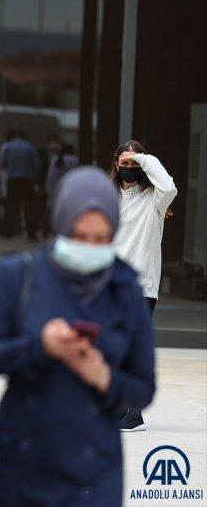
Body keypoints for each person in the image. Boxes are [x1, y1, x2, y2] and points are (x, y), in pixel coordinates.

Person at [0, 167, 156, 506]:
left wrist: (104, 377)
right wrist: (38, 346)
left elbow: (143, 388)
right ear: (61, 224)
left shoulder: (124, 288)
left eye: (101, 239)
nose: (90, 246)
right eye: (80, 236)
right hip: (20, 462)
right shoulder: (18, 275)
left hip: (93, 470)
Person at [111, 140, 177, 433]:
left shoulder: (155, 199)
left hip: (141, 284)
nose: (129, 169)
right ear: (115, 165)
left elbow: (170, 186)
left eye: (134, 164)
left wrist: (143, 157)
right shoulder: (108, 198)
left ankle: (134, 412)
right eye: (124, 163)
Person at [2, 129, 40, 240]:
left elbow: (4, 163)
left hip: (12, 179)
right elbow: (36, 165)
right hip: (27, 179)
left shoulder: (9, 147)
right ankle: (31, 233)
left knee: (11, 206)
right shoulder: (30, 147)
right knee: (28, 207)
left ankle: (8, 231)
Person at [42, 142, 80, 237]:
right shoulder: (74, 160)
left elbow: (50, 175)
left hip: (54, 187)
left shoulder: (55, 159)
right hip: (68, 188)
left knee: (51, 208)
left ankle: (46, 230)